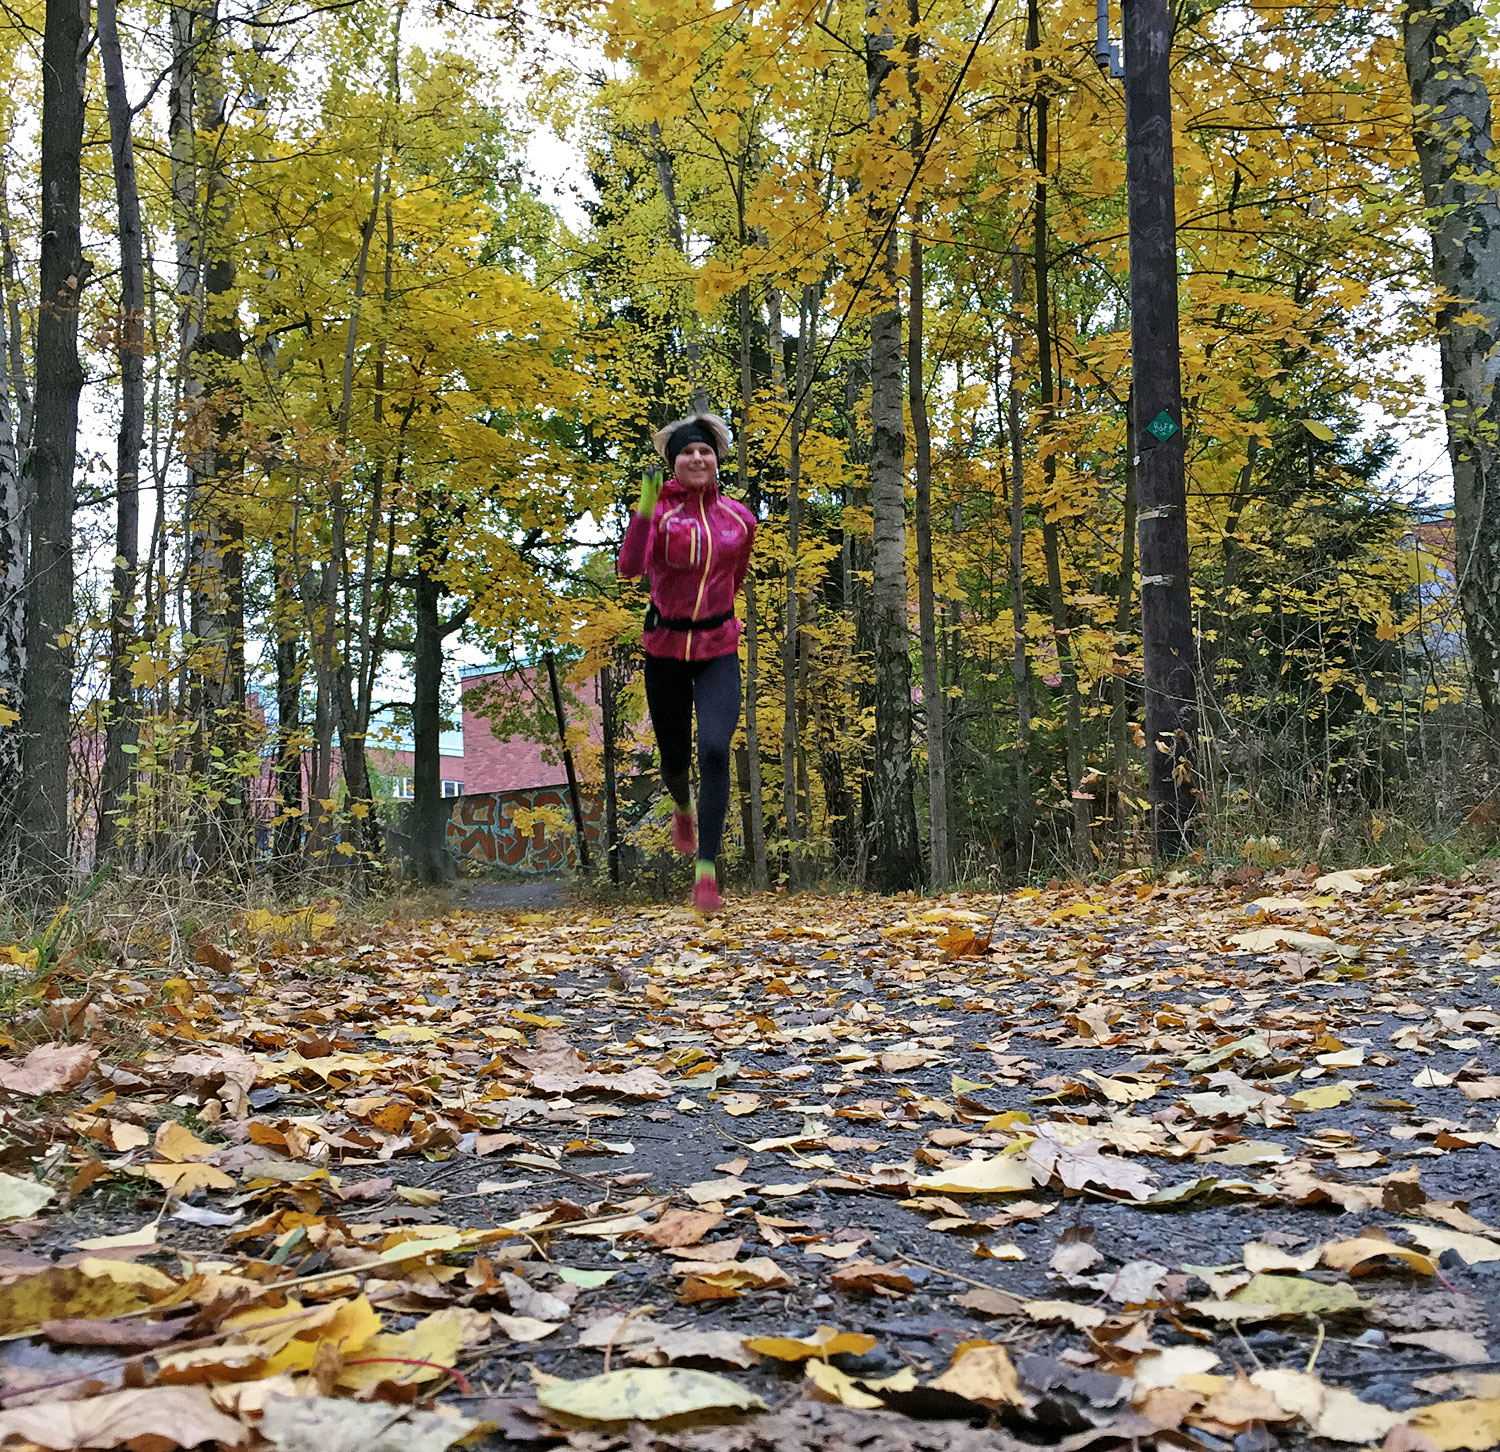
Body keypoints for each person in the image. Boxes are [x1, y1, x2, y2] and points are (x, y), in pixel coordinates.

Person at [617, 413, 756, 912]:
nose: (697, 458)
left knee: (716, 750)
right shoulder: (658, 514)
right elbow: (630, 569)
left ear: (717, 459)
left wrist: (719, 622)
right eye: (686, 452)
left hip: (718, 648)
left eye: (705, 451)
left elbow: (735, 578)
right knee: (676, 760)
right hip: (665, 651)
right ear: (672, 463)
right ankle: (682, 807)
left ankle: (706, 873)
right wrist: (643, 510)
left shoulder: (740, 519)